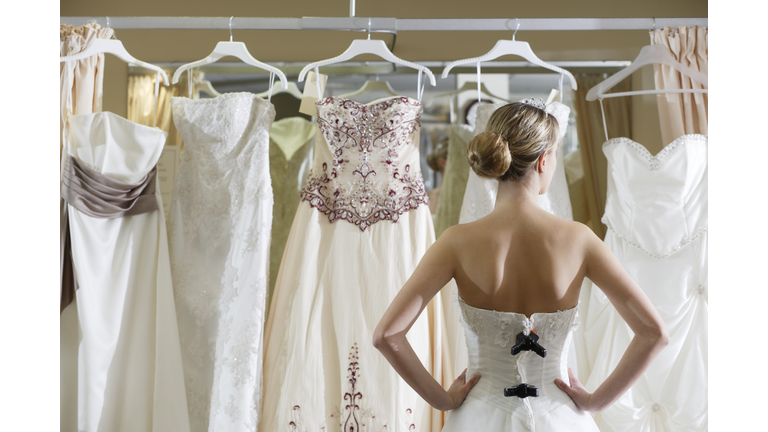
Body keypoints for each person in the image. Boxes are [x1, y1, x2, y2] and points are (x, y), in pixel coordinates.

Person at [373, 99, 669, 431]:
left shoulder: (456, 242)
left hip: (477, 418)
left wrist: (444, 400)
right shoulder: (579, 239)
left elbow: (386, 335)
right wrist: (595, 401)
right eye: (555, 153)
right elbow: (654, 333)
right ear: (544, 160)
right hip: (560, 419)